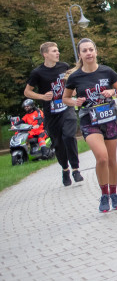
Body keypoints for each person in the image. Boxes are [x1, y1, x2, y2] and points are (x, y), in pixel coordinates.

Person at [62, 38, 117, 213]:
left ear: (96, 52)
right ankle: (104, 195)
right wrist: (75, 101)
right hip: (89, 120)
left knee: (112, 159)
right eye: (85, 50)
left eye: (91, 49)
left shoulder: (107, 72)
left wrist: (113, 91)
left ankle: (114, 194)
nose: (89, 53)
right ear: (80, 55)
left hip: (109, 118)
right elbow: (65, 98)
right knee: (102, 157)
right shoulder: (75, 77)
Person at [24, 42, 83, 186]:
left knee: (69, 136)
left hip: (66, 108)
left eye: (58, 50)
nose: (58, 53)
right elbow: (27, 92)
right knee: (58, 143)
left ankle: (76, 169)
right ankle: (65, 169)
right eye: (54, 51)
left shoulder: (64, 66)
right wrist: (42, 97)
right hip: (51, 113)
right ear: (45, 54)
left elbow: (72, 82)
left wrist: (73, 91)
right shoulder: (37, 73)